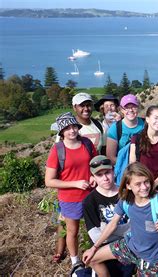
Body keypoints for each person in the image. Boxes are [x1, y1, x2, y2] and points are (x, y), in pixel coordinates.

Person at [82, 162, 158, 276]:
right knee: (92, 259)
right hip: (131, 246)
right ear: (128, 186)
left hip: (153, 259)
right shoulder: (126, 201)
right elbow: (112, 224)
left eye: (146, 182)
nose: (144, 187)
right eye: (138, 184)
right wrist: (94, 247)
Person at [45, 112, 97, 268]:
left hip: (91, 194)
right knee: (72, 231)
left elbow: (96, 163)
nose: (72, 130)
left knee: (94, 228)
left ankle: (96, 254)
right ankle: (75, 261)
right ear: (61, 132)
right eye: (67, 128)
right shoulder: (57, 150)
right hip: (70, 197)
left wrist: (94, 175)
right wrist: (75, 183)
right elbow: (49, 181)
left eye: (74, 126)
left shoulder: (87, 143)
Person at [82, 155, 134, 276]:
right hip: (103, 248)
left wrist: (107, 229)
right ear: (93, 178)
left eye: (107, 172)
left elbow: (135, 226)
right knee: (91, 260)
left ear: (114, 171)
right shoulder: (90, 201)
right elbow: (96, 236)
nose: (105, 178)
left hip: (128, 245)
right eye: (99, 175)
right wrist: (124, 230)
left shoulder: (126, 194)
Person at [129, 106, 158, 192]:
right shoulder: (136, 138)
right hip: (142, 185)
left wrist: (156, 182)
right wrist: (145, 183)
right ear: (147, 119)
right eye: (156, 118)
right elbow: (133, 163)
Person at [106, 94, 145, 165]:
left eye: (134, 107)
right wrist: (130, 166)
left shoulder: (146, 124)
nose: (130, 110)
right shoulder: (115, 128)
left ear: (138, 107)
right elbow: (111, 157)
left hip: (145, 169)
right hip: (125, 171)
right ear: (121, 110)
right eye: (126, 107)